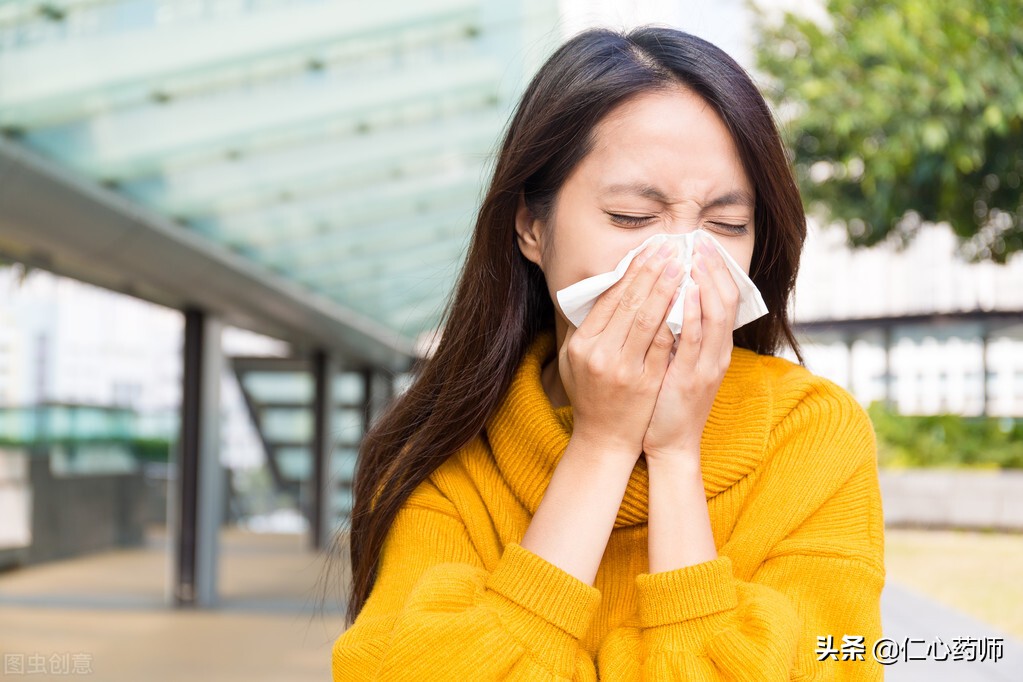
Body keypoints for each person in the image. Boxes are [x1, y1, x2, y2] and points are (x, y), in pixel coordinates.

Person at [332, 26, 885, 681]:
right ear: (530, 226)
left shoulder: (811, 432)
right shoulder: (448, 457)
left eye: (726, 225)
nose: (681, 260)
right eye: (629, 216)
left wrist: (675, 458)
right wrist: (600, 446)